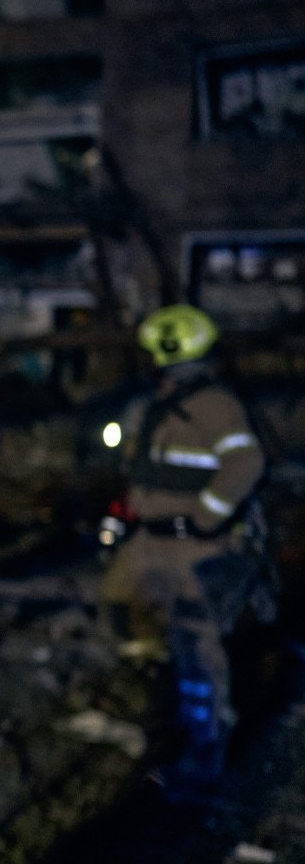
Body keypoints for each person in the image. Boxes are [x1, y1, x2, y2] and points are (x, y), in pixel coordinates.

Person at [99, 303, 268, 789]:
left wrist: (206, 517)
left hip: (194, 545)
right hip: (150, 538)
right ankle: (159, 704)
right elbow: (139, 470)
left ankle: (205, 745)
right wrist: (122, 518)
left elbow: (246, 464)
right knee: (118, 610)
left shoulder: (215, 404)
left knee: (197, 643)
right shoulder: (155, 403)